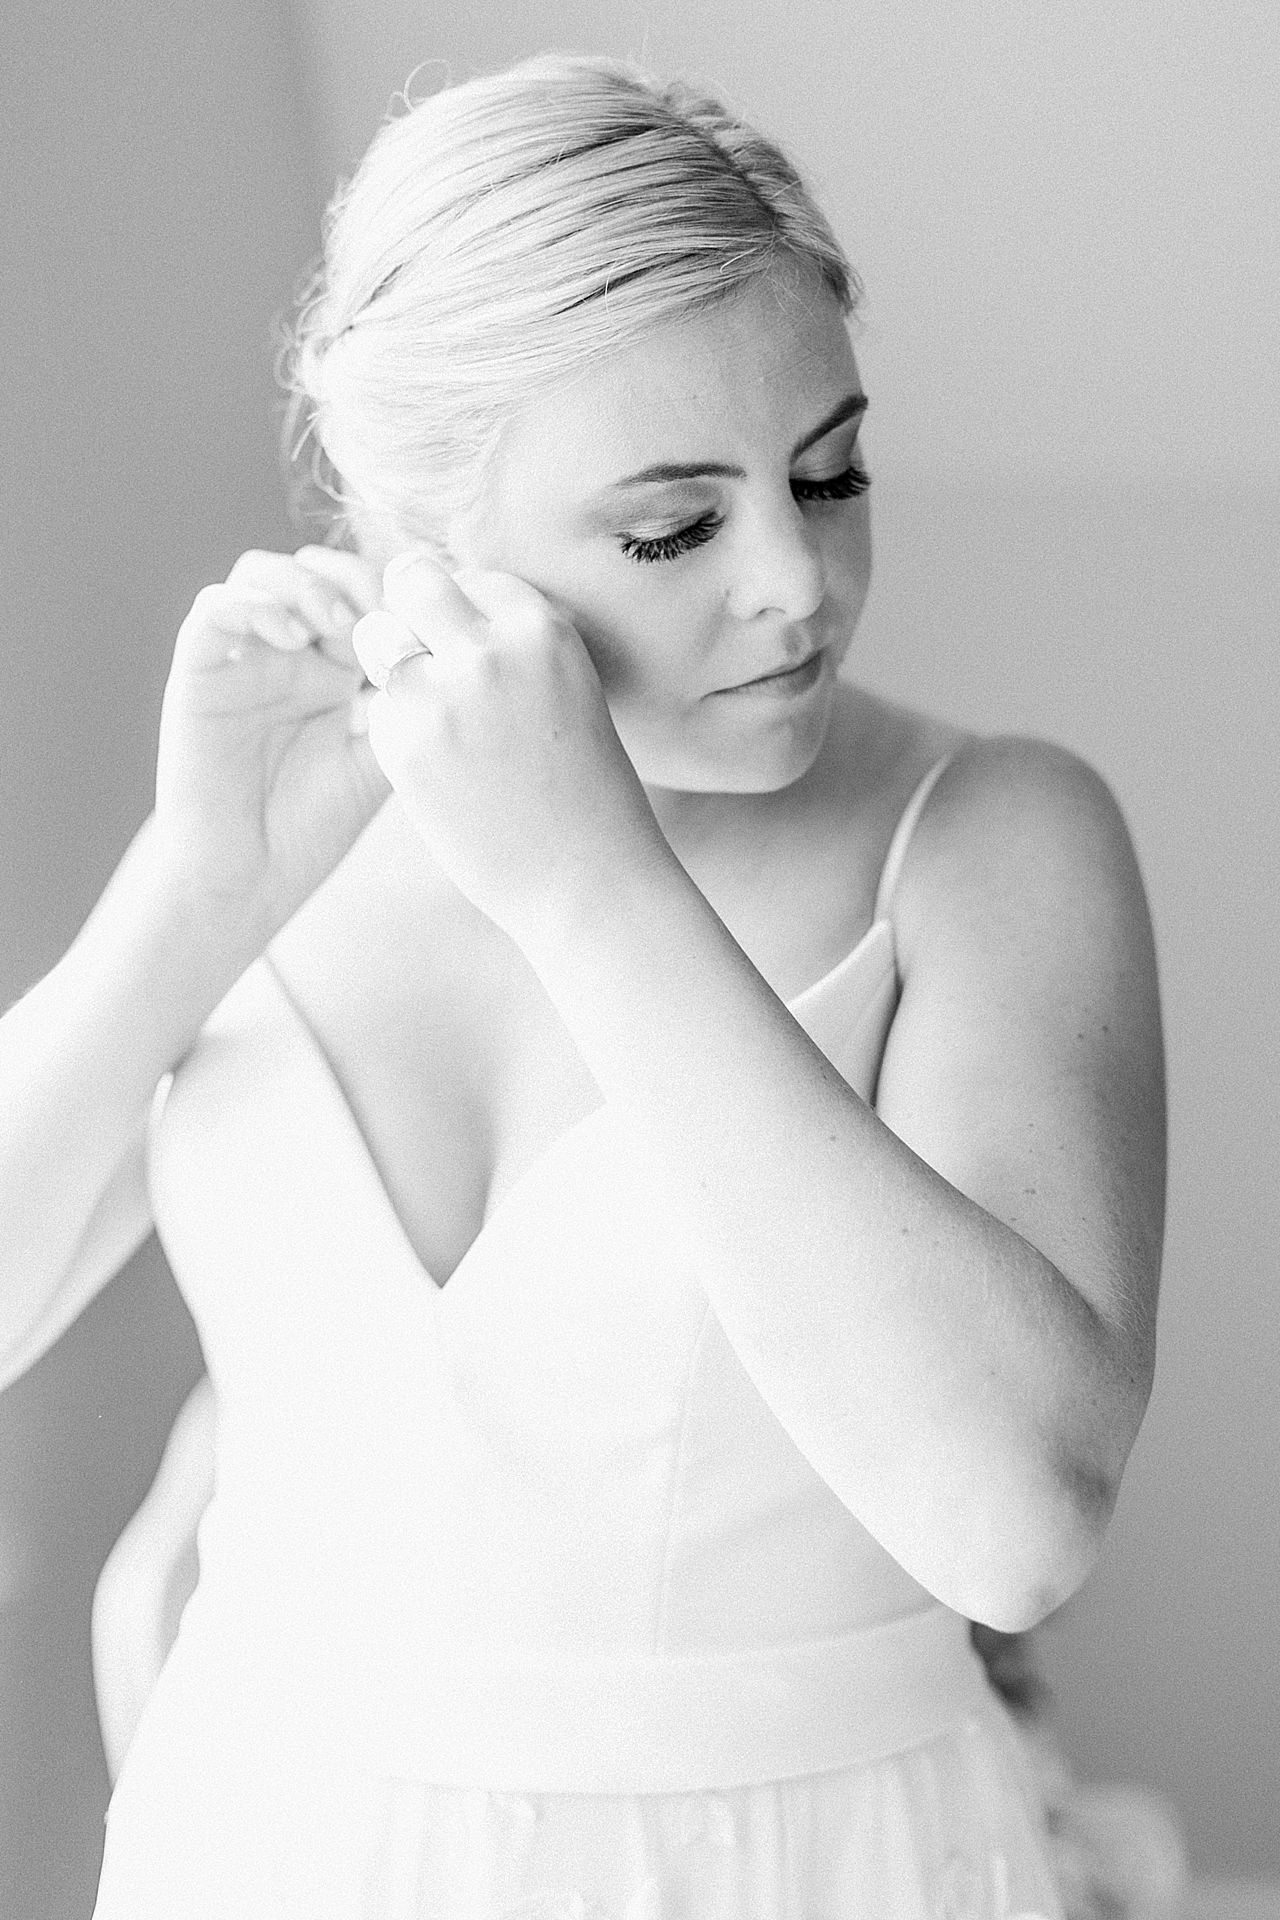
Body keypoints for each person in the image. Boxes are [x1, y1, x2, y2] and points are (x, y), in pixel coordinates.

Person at [0, 49, 1169, 1920]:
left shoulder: (987, 839)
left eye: (829, 473)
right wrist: (198, 890)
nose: (796, 581)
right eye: (673, 528)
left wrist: (591, 885)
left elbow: (1014, 1525)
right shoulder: (283, 835)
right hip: (269, 1848)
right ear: (424, 538)